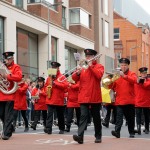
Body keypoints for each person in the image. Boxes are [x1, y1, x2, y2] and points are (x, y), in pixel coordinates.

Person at [72, 48, 104, 144]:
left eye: (89, 56)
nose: (87, 57)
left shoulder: (99, 66)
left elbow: (98, 76)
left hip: (94, 96)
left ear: (94, 57)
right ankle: (80, 136)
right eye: (86, 56)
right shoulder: (83, 68)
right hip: (84, 96)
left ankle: (98, 136)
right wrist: (77, 73)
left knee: (96, 117)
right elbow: (74, 79)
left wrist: (90, 66)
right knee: (83, 116)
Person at [110, 58, 137, 138]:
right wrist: (110, 82)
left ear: (128, 65)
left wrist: (124, 76)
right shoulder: (116, 75)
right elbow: (112, 86)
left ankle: (131, 132)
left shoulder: (132, 73)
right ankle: (117, 132)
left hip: (129, 101)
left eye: (125, 65)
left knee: (130, 118)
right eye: (122, 65)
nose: (123, 66)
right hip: (119, 100)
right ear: (120, 66)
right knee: (119, 118)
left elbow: (134, 80)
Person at [0, 51, 22, 140]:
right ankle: (10, 127)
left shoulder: (16, 67)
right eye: (5, 59)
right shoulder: (1, 67)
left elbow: (19, 77)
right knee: (1, 114)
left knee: (8, 115)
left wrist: (8, 76)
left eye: (8, 59)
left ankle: (6, 134)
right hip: (1, 94)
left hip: (10, 95)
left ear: (12, 59)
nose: (6, 61)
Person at [44, 62, 67, 134]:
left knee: (60, 115)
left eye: (55, 67)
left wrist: (56, 83)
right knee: (49, 114)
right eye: (52, 67)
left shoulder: (62, 77)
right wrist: (47, 91)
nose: (53, 69)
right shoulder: (49, 77)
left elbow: (65, 86)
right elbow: (45, 86)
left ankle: (62, 128)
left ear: (58, 68)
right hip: (50, 98)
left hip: (58, 98)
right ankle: (48, 128)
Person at [134, 67, 150, 134]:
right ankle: (138, 129)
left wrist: (140, 82)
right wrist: (138, 81)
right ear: (140, 73)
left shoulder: (148, 80)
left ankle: (146, 129)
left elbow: (146, 86)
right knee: (138, 116)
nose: (144, 74)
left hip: (146, 101)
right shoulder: (137, 80)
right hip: (138, 101)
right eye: (142, 73)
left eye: (145, 73)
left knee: (147, 116)